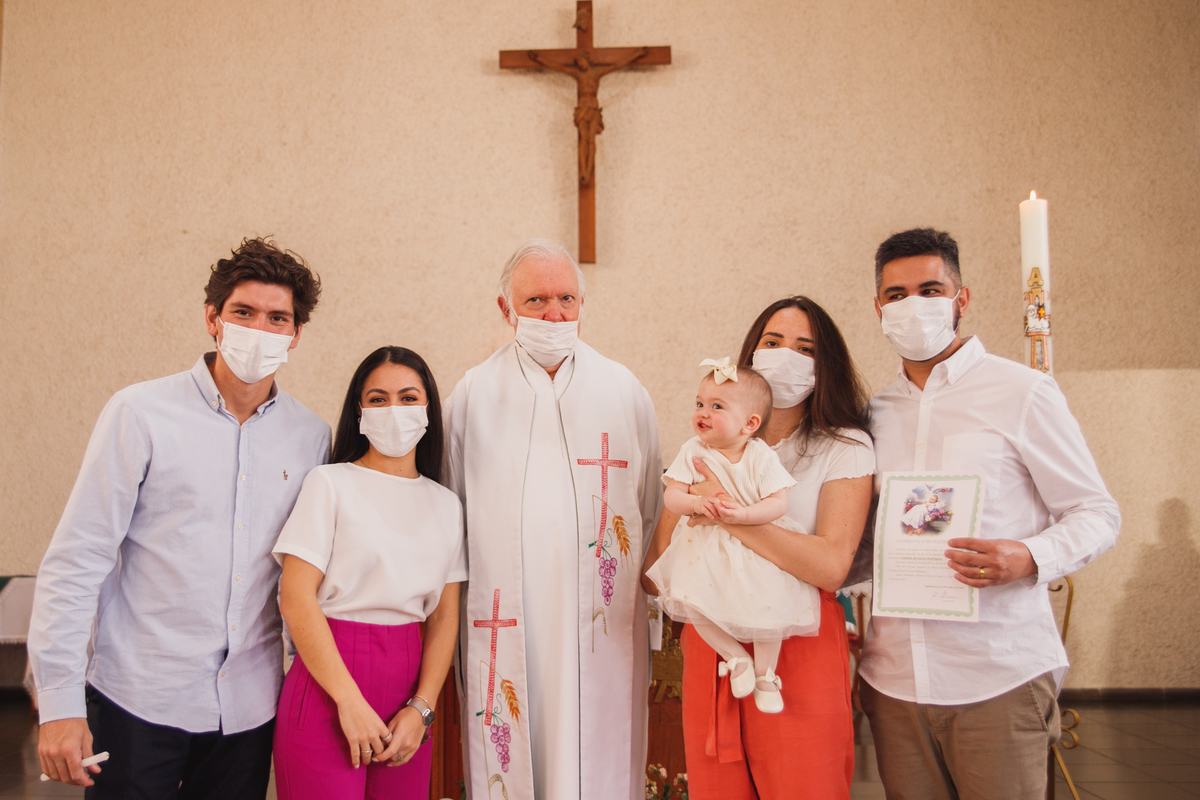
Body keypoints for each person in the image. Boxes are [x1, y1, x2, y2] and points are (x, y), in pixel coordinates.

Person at [28, 238, 329, 797]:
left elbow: (300, 574)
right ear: (213, 319)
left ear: (295, 334)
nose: (259, 329)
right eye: (243, 312)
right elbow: (78, 560)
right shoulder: (140, 414)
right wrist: (59, 702)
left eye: (277, 318)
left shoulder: (310, 436)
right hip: (138, 700)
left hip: (249, 708)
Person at [860, 228, 1121, 800]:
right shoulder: (874, 414)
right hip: (894, 679)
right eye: (897, 295)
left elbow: (1096, 511)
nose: (913, 306)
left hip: (996, 674)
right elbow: (868, 540)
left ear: (962, 298)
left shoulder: (1023, 391)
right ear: (878, 308)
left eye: (930, 290)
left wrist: (1028, 556)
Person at [445, 239, 662, 800]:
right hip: (506, 614)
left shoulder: (624, 391)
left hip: (602, 620)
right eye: (536, 300)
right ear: (505, 308)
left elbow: (649, 509)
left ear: (584, 304)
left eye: (566, 298)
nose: (554, 314)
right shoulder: (472, 395)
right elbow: (451, 510)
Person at [643, 296, 875, 800]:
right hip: (713, 638)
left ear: (826, 366)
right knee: (716, 787)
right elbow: (659, 560)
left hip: (797, 640)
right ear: (751, 353)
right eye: (773, 342)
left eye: (805, 348)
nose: (786, 355)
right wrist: (693, 498)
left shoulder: (844, 446)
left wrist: (722, 510)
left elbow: (830, 566)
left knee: (804, 785)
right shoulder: (708, 442)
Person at [272, 346, 465, 800]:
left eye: (408, 398)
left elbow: (444, 616)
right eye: (378, 399)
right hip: (328, 680)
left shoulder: (446, 504)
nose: (393, 409)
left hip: (408, 692)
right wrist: (348, 699)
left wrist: (422, 708)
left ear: (428, 411)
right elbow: (296, 597)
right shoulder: (329, 483)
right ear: (359, 412)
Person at [645, 362, 820, 715]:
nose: (703, 412)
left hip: (758, 546)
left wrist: (743, 516)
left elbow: (777, 503)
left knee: (770, 607)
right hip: (705, 547)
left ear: (749, 423)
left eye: (717, 406)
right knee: (693, 602)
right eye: (700, 403)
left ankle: (766, 674)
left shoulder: (761, 455)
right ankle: (736, 658)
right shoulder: (692, 451)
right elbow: (672, 496)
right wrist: (695, 502)